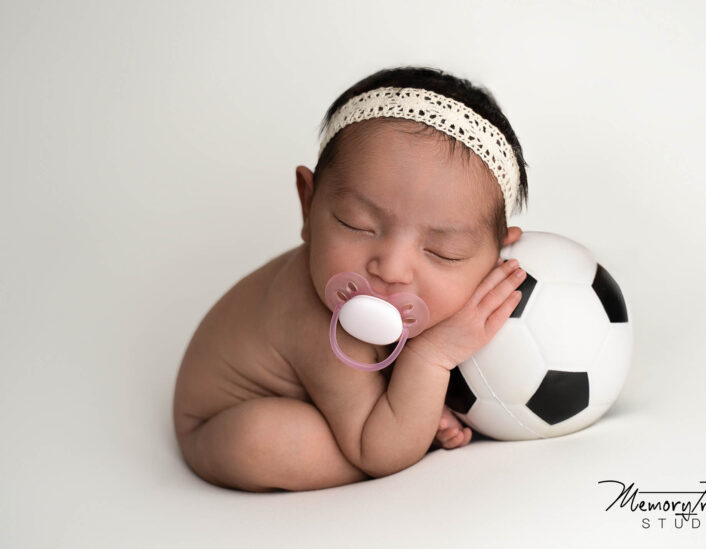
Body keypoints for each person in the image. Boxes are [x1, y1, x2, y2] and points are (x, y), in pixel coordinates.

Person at [172, 65, 529, 492]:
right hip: (223, 420)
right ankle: (408, 430)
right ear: (309, 204)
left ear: (497, 254)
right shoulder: (320, 319)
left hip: (337, 397)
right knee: (262, 442)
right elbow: (377, 449)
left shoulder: (391, 289)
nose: (391, 271)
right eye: (357, 224)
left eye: (442, 252)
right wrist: (430, 359)